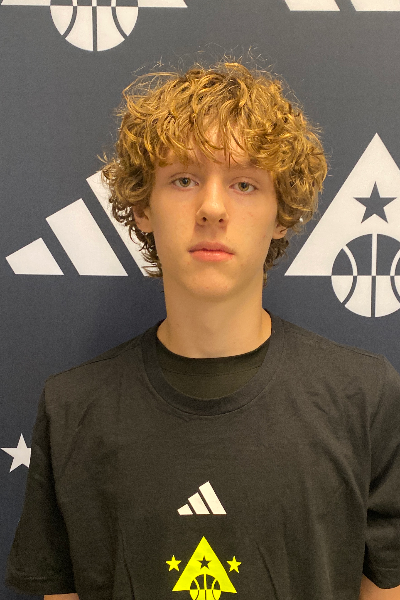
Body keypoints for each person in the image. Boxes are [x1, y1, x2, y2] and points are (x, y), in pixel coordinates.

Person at [5, 60, 400, 600]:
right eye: (184, 179)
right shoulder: (72, 408)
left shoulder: (365, 398)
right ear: (143, 208)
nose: (212, 208)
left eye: (244, 183)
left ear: (281, 214)